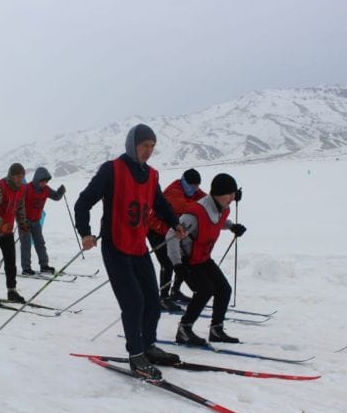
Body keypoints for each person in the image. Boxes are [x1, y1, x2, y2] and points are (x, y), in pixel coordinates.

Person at [74, 124, 184, 380]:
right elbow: (83, 201)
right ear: (132, 144)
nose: (149, 151)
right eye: (145, 145)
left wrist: (175, 223)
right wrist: (85, 232)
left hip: (138, 247)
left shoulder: (152, 175)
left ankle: (148, 346)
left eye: (152, 147)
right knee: (133, 302)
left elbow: (160, 203)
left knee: (153, 303)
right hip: (115, 247)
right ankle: (136, 355)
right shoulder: (112, 169)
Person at [166, 173, 247, 345]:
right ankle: (184, 330)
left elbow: (218, 220)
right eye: (230, 194)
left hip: (202, 257)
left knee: (224, 289)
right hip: (187, 259)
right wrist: (177, 264)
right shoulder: (195, 213)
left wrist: (232, 226)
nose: (233, 198)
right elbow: (171, 235)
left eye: (234, 194)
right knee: (205, 290)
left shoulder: (221, 207)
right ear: (218, 194)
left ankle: (216, 330)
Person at [148, 168, 206, 312]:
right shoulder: (174, 192)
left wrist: (225, 197)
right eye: (192, 186)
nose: (195, 190)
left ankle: (175, 292)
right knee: (167, 262)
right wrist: (205, 207)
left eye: (197, 187)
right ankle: (163, 298)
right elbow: (187, 207)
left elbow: (207, 200)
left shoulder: (192, 191)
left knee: (181, 259)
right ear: (185, 183)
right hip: (156, 230)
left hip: (173, 230)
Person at [0, 162, 29, 305]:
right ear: (11, 175)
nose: (20, 179)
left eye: (22, 177)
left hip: (7, 230)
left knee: (10, 261)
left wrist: (23, 224)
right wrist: (0, 224)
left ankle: (11, 290)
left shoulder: (21, 189)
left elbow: (20, 208)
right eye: (18, 177)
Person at [19, 166, 66, 275]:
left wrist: (60, 192)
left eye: (46, 181)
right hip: (24, 221)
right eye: (42, 181)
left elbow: (55, 196)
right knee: (26, 245)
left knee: (40, 243)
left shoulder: (46, 189)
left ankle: (44, 266)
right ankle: (26, 268)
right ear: (37, 180)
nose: (44, 183)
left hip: (36, 221)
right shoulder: (27, 188)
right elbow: (17, 203)